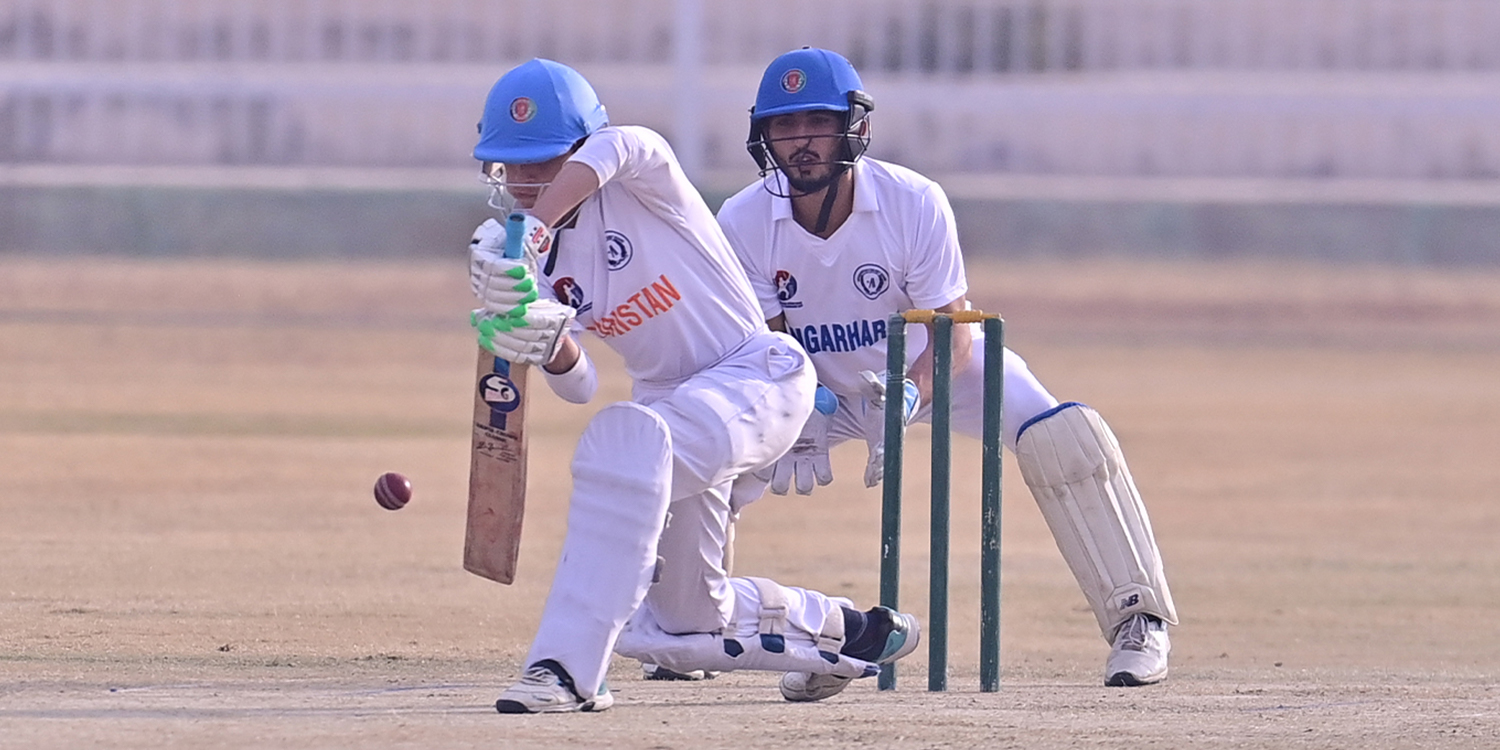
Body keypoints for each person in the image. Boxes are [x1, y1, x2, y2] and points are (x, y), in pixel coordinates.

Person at [715, 48, 1179, 697]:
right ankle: (691, 621)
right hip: (821, 388)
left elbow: (951, 327)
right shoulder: (740, 219)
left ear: (854, 126)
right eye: (784, 127)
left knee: (1061, 435)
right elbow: (770, 338)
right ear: (762, 135)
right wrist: (803, 406)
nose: (801, 143)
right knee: (712, 447)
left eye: (816, 123)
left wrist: (910, 393)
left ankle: (1140, 618)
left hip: (933, 371)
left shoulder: (912, 202)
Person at [466, 58, 922, 714]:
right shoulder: (521, 260)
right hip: (668, 406)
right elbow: (581, 385)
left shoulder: (640, 174)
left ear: (577, 150)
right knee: (681, 627)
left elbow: (622, 144)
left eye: (544, 161)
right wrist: (542, 338)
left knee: (624, 453)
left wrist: (531, 235)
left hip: (756, 375)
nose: (528, 183)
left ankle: (561, 672)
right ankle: (848, 634)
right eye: (511, 167)